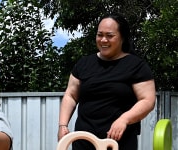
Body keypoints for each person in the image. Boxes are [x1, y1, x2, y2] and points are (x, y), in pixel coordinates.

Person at [57, 13, 156, 150]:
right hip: (84, 141)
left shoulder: (136, 66)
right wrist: (63, 125)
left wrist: (124, 119)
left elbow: (148, 100)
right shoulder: (84, 64)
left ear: (122, 37)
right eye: (99, 35)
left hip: (118, 142)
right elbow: (71, 95)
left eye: (110, 35)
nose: (103, 40)